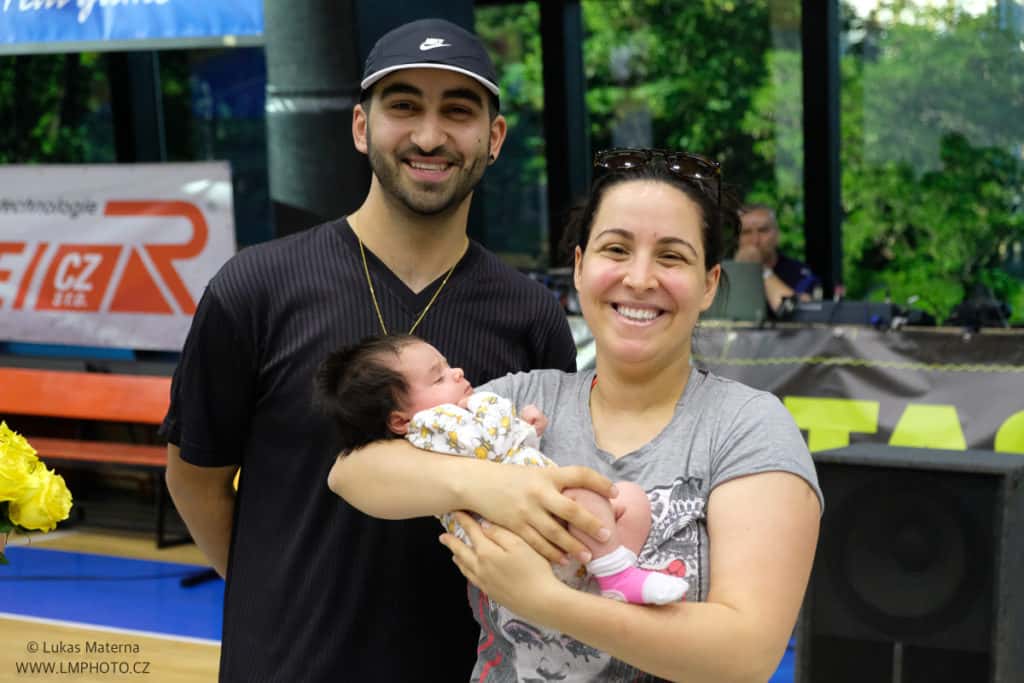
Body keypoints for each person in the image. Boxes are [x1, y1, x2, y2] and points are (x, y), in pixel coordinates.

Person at [162, 18, 612, 682]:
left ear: (494, 138)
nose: (429, 136)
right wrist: (275, 599)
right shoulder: (255, 288)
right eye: (404, 106)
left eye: (457, 111)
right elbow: (195, 479)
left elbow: (540, 490)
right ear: (361, 126)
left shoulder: (530, 315)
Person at [329, 148, 824, 681]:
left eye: (671, 257)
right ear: (581, 267)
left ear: (708, 284)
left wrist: (546, 602)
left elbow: (744, 657)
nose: (640, 278)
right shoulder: (519, 398)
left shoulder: (747, 427)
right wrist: (494, 486)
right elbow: (353, 473)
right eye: (617, 249)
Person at [314, 333, 690, 605]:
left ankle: (613, 574)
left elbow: (504, 454)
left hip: (540, 524)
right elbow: (486, 446)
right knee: (582, 494)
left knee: (629, 498)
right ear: (400, 420)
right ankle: (618, 577)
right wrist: (510, 420)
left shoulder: (460, 419)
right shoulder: (431, 428)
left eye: (448, 365)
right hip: (511, 537)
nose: (457, 372)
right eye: (438, 377)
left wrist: (527, 430)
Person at [734, 203, 820, 312]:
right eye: (746, 232)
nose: (755, 240)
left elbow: (799, 312)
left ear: (777, 235)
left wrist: (761, 270)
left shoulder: (799, 272)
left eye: (763, 230)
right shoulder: (722, 272)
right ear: (737, 239)